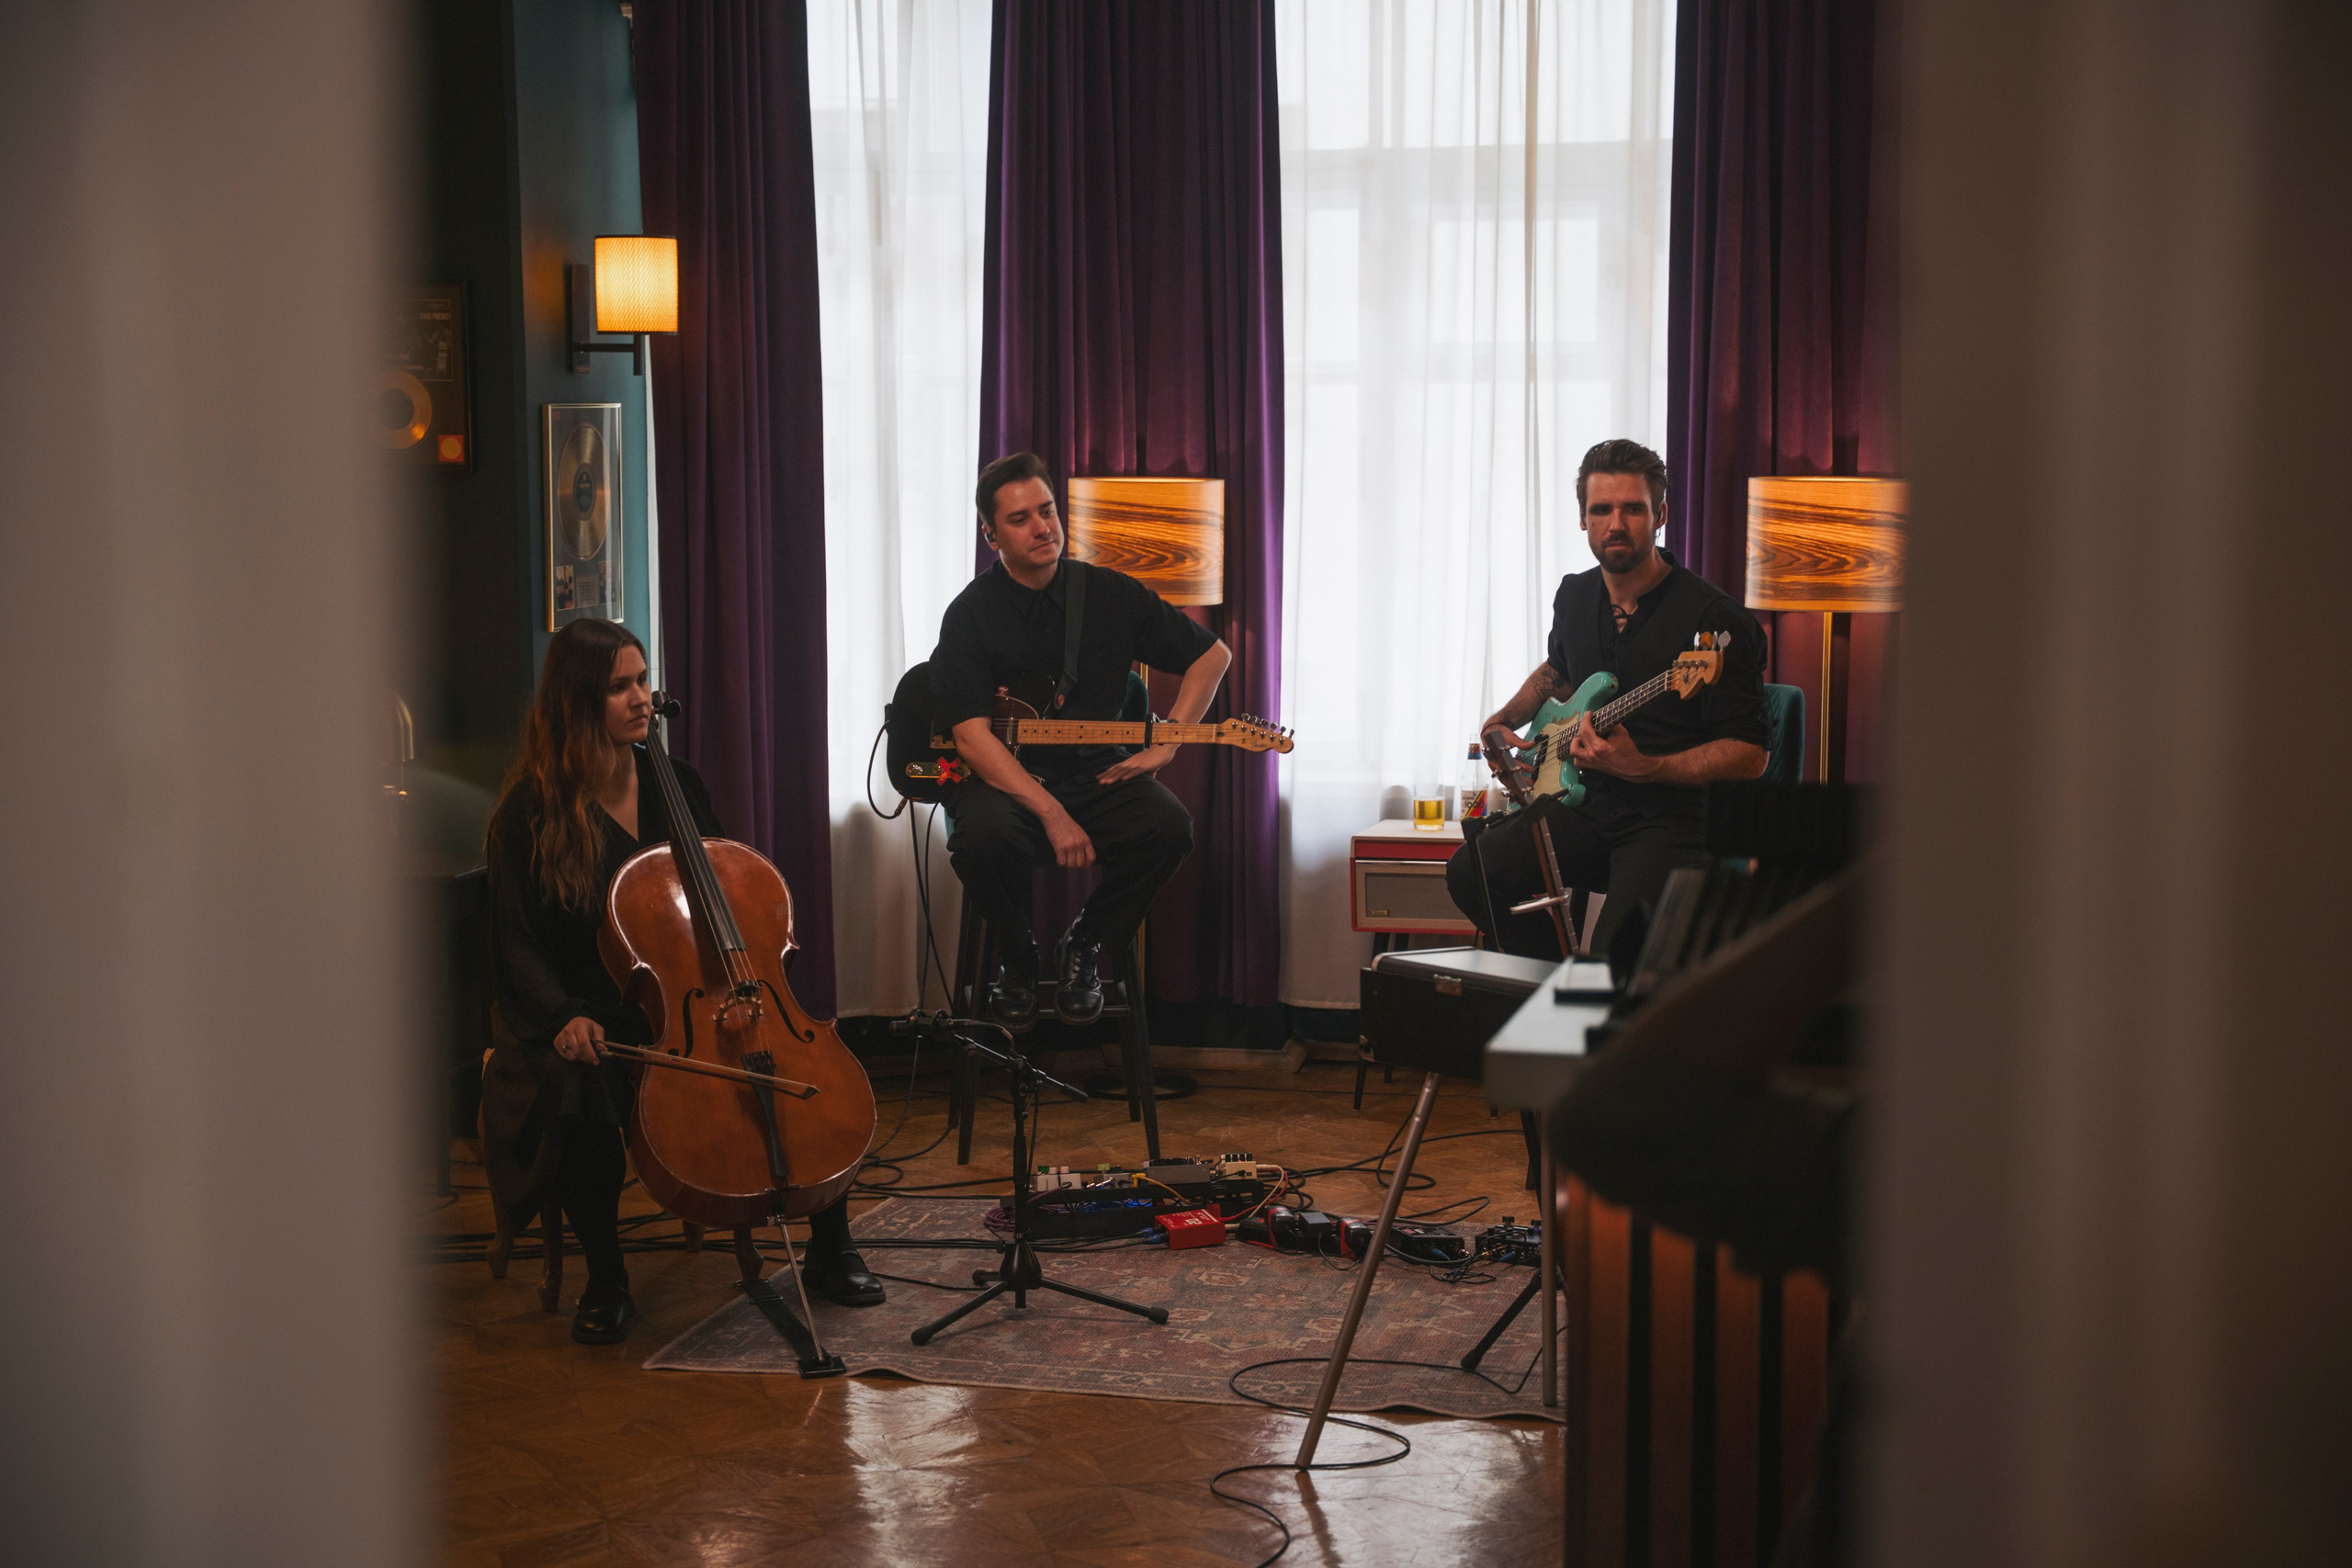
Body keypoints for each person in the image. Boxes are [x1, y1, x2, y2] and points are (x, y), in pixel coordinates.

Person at [480, 618, 882, 1346]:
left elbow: (728, 892)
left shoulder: (678, 784)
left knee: (806, 1058)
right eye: (620, 687)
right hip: (594, 1015)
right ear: (576, 703)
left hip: (695, 996)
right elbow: (513, 944)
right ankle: (606, 1277)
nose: (642, 698)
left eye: (643, 681)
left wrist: (738, 980)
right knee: (582, 1090)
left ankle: (830, 1245)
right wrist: (566, 1015)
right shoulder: (530, 812)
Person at [930, 451, 1233, 1028]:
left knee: (1169, 830)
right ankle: (1017, 959)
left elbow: (1211, 656)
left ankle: (1086, 943)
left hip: (1096, 770)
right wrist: (1051, 813)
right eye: (1020, 519)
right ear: (991, 534)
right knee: (980, 841)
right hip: (1004, 780)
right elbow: (970, 738)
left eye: (1047, 511)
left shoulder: (1112, 594)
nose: (1043, 528)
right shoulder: (969, 615)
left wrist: (1169, 740)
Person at [1448, 438, 1770, 957]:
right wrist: (1504, 719)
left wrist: (1646, 767)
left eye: (1632, 509)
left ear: (1660, 514)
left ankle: (1589, 1009)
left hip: (1669, 821)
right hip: (1583, 808)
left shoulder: (1716, 621)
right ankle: (1546, 995)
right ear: (1582, 518)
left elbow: (1752, 755)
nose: (1615, 524)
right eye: (1601, 510)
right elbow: (1559, 673)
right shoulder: (1574, 595)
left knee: (1611, 960)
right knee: (1471, 872)